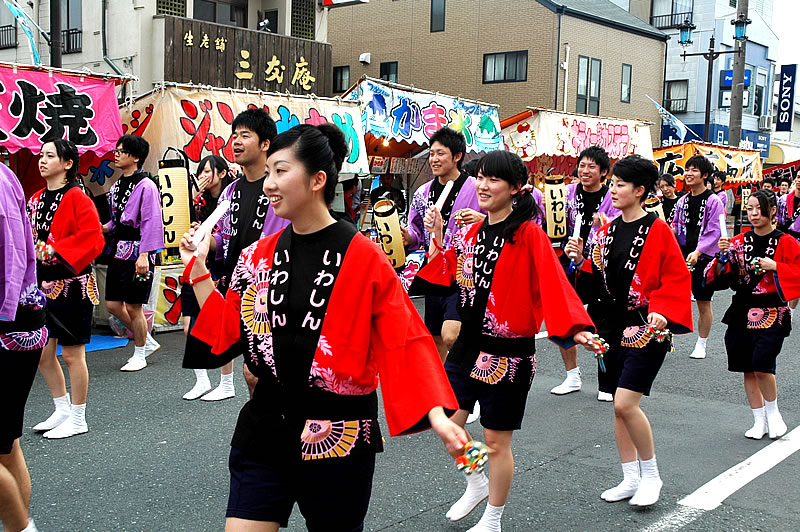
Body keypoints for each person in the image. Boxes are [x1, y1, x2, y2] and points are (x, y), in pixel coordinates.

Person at [180, 123, 467, 531]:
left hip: (337, 434)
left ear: (317, 180)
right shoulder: (256, 256)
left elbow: (405, 338)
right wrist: (199, 269)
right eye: (270, 173)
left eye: (281, 172)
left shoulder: (364, 257)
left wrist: (436, 414)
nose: (269, 185)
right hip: (266, 426)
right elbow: (229, 328)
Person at [410, 150, 596, 530]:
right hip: (467, 345)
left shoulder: (528, 234)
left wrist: (576, 327)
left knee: (496, 443)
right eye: (479, 177)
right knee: (446, 423)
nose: (482, 185)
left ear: (516, 189)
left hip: (508, 355)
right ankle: (476, 482)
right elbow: (447, 266)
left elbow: (553, 282)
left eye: (493, 179)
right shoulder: (471, 230)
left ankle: (493, 518)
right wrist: (434, 236)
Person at [569, 155, 693, 507]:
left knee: (626, 402)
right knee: (618, 407)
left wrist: (662, 313)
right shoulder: (607, 230)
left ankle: (652, 476)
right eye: (614, 184)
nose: (614, 190)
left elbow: (675, 277)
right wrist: (580, 260)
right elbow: (593, 278)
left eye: (620, 185)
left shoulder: (657, 230)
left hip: (646, 327)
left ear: (640, 191)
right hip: (610, 325)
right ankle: (629, 477)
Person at [185, 108, 289, 400]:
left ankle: (276, 426)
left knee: (259, 370)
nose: (236, 141)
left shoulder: (279, 186)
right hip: (236, 286)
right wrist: (204, 241)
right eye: (234, 135)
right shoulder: (231, 191)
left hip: (271, 288)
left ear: (265, 144)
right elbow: (225, 239)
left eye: (245, 135)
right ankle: (269, 425)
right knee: (251, 369)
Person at [706, 189, 800, 440]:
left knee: (762, 364)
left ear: (772, 211)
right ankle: (759, 420)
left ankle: (774, 414)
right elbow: (719, 278)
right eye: (750, 209)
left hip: (772, 309)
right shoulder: (738, 241)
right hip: (742, 308)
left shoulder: (787, 242)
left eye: (760, 208)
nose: (754, 214)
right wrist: (723, 256)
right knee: (747, 367)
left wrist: (776, 266)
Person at [27, 140, 104, 439]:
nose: (42, 160)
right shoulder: (35, 199)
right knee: (44, 354)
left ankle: (79, 415)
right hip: (41, 287)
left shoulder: (77, 197)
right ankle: (61, 408)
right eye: (41, 155)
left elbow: (93, 238)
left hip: (73, 286)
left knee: (73, 355)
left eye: (50, 156)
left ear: (68, 163)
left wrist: (52, 251)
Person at [402, 127, 482, 362]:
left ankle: (468, 378)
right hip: (434, 269)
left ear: (457, 156)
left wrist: (483, 220)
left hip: (465, 272)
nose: (434, 159)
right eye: (431, 154)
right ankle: (449, 388)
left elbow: (502, 220)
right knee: (436, 336)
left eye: (440, 154)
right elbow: (416, 233)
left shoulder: (477, 188)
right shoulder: (421, 193)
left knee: (451, 335)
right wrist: (408, 237)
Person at [0, 163, 48, 532]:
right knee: (6, 444)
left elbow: (13, 254)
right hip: (20, 310)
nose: (44, 160)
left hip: (11, 316)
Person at [552, 146, 621, 401]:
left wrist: (604, 229)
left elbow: (619, 231)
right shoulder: (566, 193)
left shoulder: (611, 197)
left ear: (604, 172)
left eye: (592, 166)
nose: (585, 171)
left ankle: (607, 380)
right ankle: (572, 375)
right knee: (564, 318)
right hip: (566, 264)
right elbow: (549, 218)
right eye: (582, 165)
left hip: (598, 267)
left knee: (603, 322)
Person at [104, 135, 165, 372]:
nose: (116, 154)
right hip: (119, 251)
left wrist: (144, 255)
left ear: (135, 157)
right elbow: (117, 219)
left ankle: (140, 353)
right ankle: (146, 340)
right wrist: (104, 227)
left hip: (139, 253)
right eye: (116, 150)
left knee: (134, 306)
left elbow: (151, 221)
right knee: (112, 304)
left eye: (122, 151)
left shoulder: (146, 185)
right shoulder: (118, 184)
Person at [182, 155, 234, 400]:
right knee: (189, 324)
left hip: (218, 264)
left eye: (206, 171)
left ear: (222, 173)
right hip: (194, 259)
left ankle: (226, 382)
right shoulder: (199, 200)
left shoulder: (231, 198)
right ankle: (201, 380)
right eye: (199, 171)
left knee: (220, 325)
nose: (202, 176)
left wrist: (208, 241)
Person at [670, 154, 725, 360]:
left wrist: (699, 251)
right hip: (683, 254)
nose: (689, 174)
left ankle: (702, 343)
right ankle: (668, 337)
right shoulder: (682, 200)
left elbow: (714, 230)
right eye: (687, 170)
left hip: (703, 257)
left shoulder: (714, 201)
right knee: (673, 297)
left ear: (705, 175)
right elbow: (675, 225)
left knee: (703, 301)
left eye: (694, 170)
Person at [777, 172, 800, 317]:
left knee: (797, 278)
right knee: (779, 274)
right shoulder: (784, 200)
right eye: (798, 177)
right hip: (783, 240)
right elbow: (776, 221)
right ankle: (780, 306)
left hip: (799, 243)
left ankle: (791, 311)